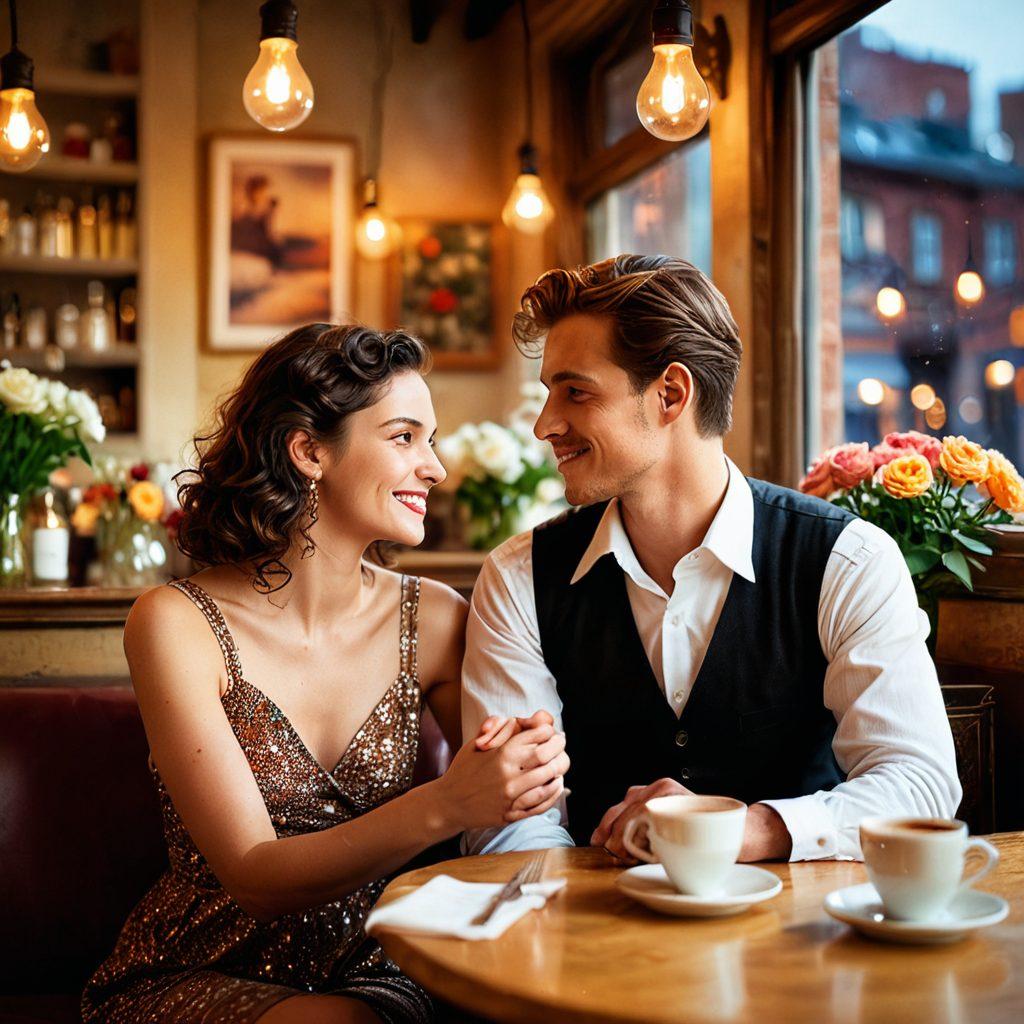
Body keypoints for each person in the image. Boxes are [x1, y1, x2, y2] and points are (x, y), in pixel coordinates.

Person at [82, 324, 568, 1024]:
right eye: (405, 438)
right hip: (201, 965)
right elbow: (252, 874)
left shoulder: (436, 620)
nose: (434, 467)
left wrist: (534, 768)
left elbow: (519, 808)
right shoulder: (174, 623)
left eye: (431, 441)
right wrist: (448, 802)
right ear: (310, 451)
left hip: (383, 961)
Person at [462, 254, 961, 865]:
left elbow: (921, 786)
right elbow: (510, 824)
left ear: (671, 393)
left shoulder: (849, 560)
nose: (545, 424)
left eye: (575, 392)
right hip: (596, 938)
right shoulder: (518, 578)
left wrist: (733, 830)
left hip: (806, 944)